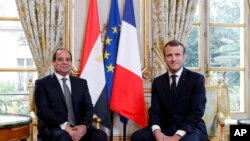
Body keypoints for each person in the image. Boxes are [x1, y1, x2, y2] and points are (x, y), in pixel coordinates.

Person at [131, 40, 208, 141]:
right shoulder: (158, 82)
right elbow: (155, 111)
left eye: (177, 54)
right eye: (169, 55)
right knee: (138, 137)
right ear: (165, 58)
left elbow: (196, 112)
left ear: (184, 56)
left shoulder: (196, 79)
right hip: (165, 127)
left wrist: (177, 136)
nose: (173, 59)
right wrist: (157, 131)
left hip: (190, 128)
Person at [34, 48, 107, 141]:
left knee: (100, 135)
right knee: (64, 137)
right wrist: (64, 126)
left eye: (68, 59)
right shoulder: (42, 84)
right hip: (54, 127)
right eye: (60, 59)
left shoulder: (81, 83)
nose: (65, 62)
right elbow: (42, 111)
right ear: (53, 62)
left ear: (71, 63)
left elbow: (88, 107)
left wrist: (84, 126)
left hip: (79, 126)